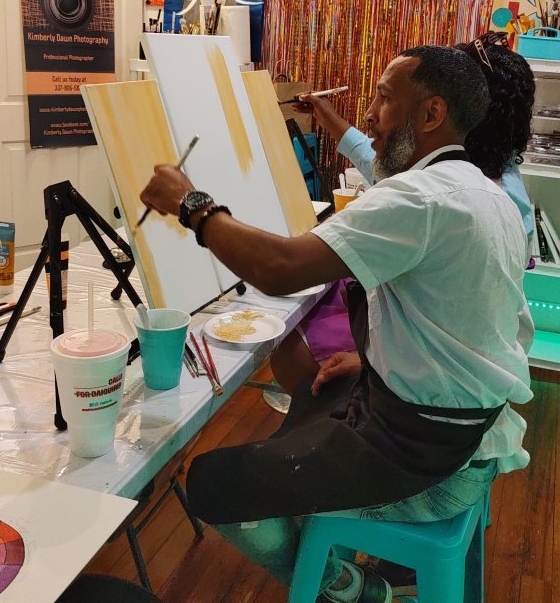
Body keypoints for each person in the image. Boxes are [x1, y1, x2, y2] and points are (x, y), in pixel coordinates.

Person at [140, 45, 533, 602]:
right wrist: (378, 357)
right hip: (467, 430)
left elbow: (279, 269)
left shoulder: (422, 197)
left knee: (211, 482)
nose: (369, 116)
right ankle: (323, 541)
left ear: (431, 114)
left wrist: (193, 205)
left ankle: (350, 590)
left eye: (384, 99)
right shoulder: (487, 193)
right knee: (314, 389)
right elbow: (477, 326)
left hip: (431, 457)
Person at [269, 35, 535, 396]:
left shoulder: (473, 195)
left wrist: (371, 360)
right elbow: (380, 163)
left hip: (436, 383)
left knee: (296, 347)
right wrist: (327, 115)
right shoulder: (457, 171)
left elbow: (479, 326)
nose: (371, 114)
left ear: (441, 113)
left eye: (386, 98)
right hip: (430, 357)